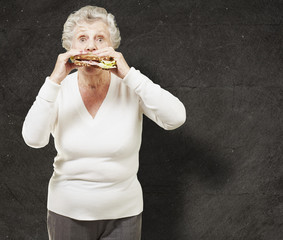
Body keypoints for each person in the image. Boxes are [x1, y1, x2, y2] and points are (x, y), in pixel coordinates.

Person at [22, 5, 186, 240]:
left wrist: (130, 75)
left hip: (125, 215)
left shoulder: (131, 86)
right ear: (69, 48)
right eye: (82, 39)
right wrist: (54, 79)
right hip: (66, 214)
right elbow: (33, 139)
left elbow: (176, 118)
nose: (90, 46)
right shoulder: (58, 89)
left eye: (100, 39)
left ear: (112, 47)